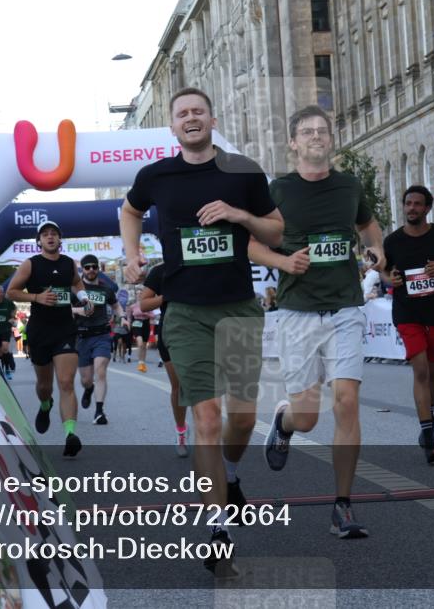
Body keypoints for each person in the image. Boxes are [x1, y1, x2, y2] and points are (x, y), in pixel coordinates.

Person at [120, 86, 283, 578]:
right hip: (186, 313)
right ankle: (218, 530)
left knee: (243, 419)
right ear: (172, 126)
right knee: (207, 420)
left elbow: (276, 230)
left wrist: (239, 215)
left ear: (212, 120)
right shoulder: (155, 175)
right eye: (182, 113)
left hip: (237, 309)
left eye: (198, 112)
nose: (190, 118)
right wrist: (132, 254)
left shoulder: (243, 172)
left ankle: (230, 474)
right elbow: (129, 210)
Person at [252, 104, 385, 539]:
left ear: (331, 139)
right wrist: (283, 262)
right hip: (298, 312)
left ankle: (342, 505)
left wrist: (376, 250)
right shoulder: (278, 190)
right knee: (307, 418)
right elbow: (251, 244)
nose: (315, 136)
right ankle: (285, 421)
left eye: (322, 131)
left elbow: (368, 225)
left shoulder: (348, 185)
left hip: (345, 307)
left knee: (347, 401)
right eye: (306, 131)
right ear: (293, 143)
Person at [381, 185, 434, 464]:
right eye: (408, 203)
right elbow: (384, 272)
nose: (411, 208)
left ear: (427, 208)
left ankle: (428, 420)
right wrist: (391, 279)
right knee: (421, 370)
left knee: (433, 370)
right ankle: (429, 436)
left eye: (417, 204)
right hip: (407, 312)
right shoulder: (392, 241)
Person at [7, 221, 94, 458]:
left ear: (59, 239)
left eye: (54, 233)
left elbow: (76, 282)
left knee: (66, 382)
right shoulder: (30, 264)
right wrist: (37, 297)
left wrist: (84, 297)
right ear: (39, 241)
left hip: (65, 329)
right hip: (40, 331)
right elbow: (12, 291)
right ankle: (45, 405)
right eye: (45, 234)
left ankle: (70, 434)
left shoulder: (68, 263)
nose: (50, 237)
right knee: (45, 386)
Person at [139, 262, 190, 458]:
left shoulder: (200, 264)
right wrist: (166, 296)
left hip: (199, 331)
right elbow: (144, 304)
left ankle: (207, 432)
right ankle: (181, 431)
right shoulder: (160, 270)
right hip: (170, 331)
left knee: (200, 387)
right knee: (179, 387)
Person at [74, 254, 122, 425]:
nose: (91, 270)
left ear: (98, 268)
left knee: (100, 371)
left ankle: (99, 412)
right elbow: (63, 308)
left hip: (102, 335)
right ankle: (89, 389)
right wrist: (78, 311)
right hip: (82, 337)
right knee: (86, 379)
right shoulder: (76, 289)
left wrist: (123, 316)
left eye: (94, 267)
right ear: (82, 269)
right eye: (87, 267)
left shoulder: (106, 289)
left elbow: (116, 305)